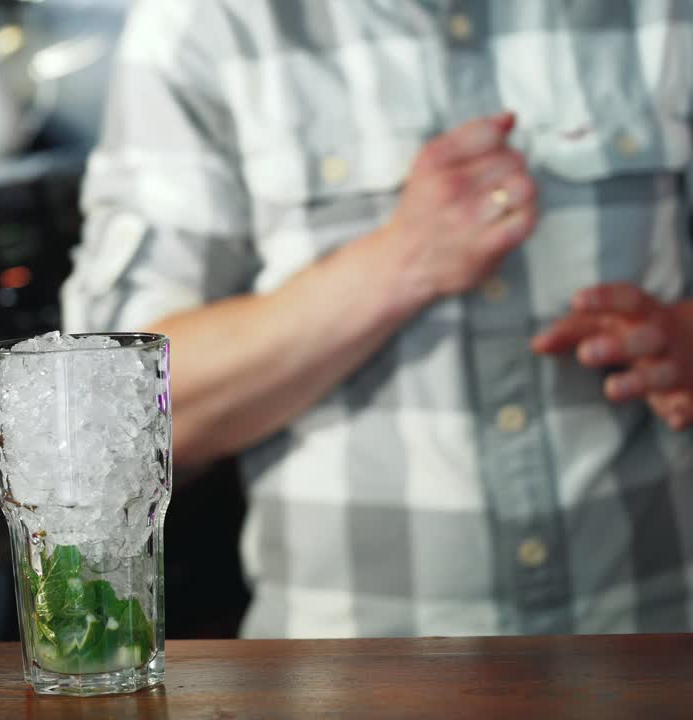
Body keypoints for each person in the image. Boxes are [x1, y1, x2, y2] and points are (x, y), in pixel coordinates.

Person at [62, 0, 693, 638]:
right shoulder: (206, 22)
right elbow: (109, 413)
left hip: (658, 647)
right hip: (344, 676)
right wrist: (401, 264)